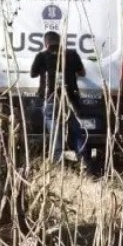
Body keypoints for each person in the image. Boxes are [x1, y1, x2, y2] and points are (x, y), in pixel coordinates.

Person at [30, 31, 90, 171]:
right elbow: (82, 73)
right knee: (76, 130)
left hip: (50, 99)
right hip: (70, 99)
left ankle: (58, 165)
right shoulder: (72, 55)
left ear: (46, 43)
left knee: (55, 132)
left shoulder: (41, 56)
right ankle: (83, 161)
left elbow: (33, 74)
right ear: (61, 42)